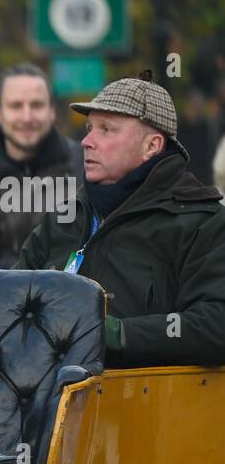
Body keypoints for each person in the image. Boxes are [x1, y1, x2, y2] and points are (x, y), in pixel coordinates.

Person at [17, 76, 225, 368]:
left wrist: (116, 335)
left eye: (106, 130)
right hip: (48, 401)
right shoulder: (66, 216)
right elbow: (13, 299)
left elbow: (215, 326)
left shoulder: (203, 222)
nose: (87, 142)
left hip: (150, 407)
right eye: (89, 128)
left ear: (151, 145)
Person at [0, 63, 84, 268]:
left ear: (52, 111)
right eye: (16, 106)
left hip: (72, 294)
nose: (27, 117)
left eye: (36, 105)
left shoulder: (85, 167)